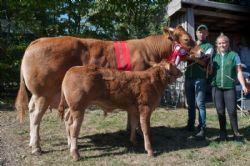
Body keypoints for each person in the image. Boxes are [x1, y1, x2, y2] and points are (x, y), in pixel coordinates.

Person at [209, 33, 248, 141]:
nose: (222, 45)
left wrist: (243, 85)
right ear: (217, 45)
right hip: (216, 88)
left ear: (228, 43)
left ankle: (236, 133)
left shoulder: (234, 55)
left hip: (229, 87)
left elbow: (239, 71)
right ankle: (223, 133)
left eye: (224, 42)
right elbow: (209, 71)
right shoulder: (213, 57)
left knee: (232, 111)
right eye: (220, 43)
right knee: (220, 112)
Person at [184, 24, 214, 140]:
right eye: (199, 32)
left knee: (200, 104)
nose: (201, 34)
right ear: (196, 33)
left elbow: (205, 61)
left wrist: (192, 58)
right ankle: (190, 125)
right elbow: (184, 57)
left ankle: (202, 128)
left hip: (200, 78)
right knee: (190, 104)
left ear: (207, 34)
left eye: (204, 32)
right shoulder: (191, 44)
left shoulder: (209, 46)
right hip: (188, 77)